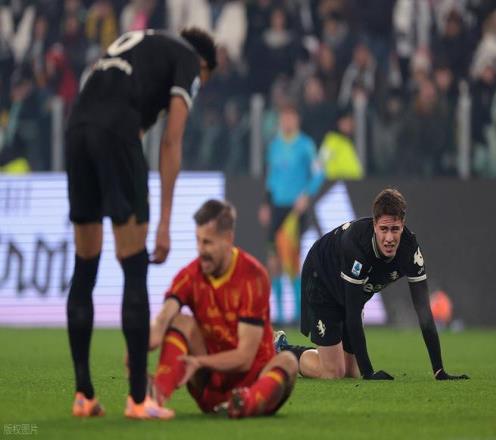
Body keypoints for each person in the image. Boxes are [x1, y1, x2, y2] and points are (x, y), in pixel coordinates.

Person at [65, 28, 217, 419]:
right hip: (116, 131)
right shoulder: (188, 60)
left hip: (76, 129)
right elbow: (171, 142)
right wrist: (165, 222)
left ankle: (83, 395)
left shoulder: (143, 43)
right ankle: (137, 400)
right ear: (203, 65)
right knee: (134, 267)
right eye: (202, 81)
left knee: (85, 267)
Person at [275, 188, 469, 381]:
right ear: (375, 225)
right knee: (333, 372)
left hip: (348, 288)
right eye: (384, 229)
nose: (389, 238)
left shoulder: (410, 250)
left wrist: (439, 371)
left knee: (351, 371)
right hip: (321, 278)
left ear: (403, 225)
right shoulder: (357, 245)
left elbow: (424, 312)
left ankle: (321, 356)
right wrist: (369, 373)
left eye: (395, 229)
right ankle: (280, 349)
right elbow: (352, 313)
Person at [149, 199, 298, 418]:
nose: (201, 250)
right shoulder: (189, 275)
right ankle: (155, 397)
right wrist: (141, 345)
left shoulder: (253, 276)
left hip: (254, 382)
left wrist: (199, 362)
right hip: (210, 385)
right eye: (198, 241)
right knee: (180, 321)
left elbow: (245, 358)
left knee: (288, 361)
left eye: (208, 242)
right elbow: (164, 317)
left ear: (228, 239)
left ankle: (243, 403)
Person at [258, 103, 323, 324]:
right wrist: (266, 203)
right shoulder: (274, 146)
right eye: (284, 117)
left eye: (290, 117)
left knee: (291, 258)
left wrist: (306, 195)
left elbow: (318, 174)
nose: (287, 121)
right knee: (273, 260)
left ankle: (297, 312)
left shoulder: (306, 145)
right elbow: (271, 178)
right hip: (276, 207)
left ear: (297, 120)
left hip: (294, 210)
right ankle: (278, 313)